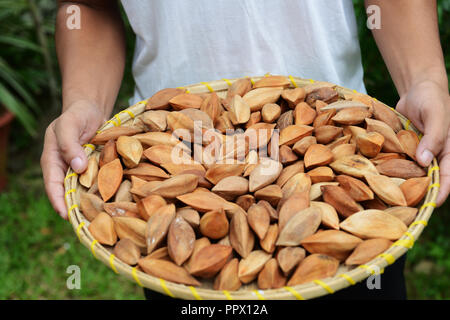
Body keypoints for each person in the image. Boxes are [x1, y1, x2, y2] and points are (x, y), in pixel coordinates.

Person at [41, 0, 449, 300]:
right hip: (167, 176)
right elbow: (86, 7)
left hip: (342, 158)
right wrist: (86, 102)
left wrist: (424, 79)